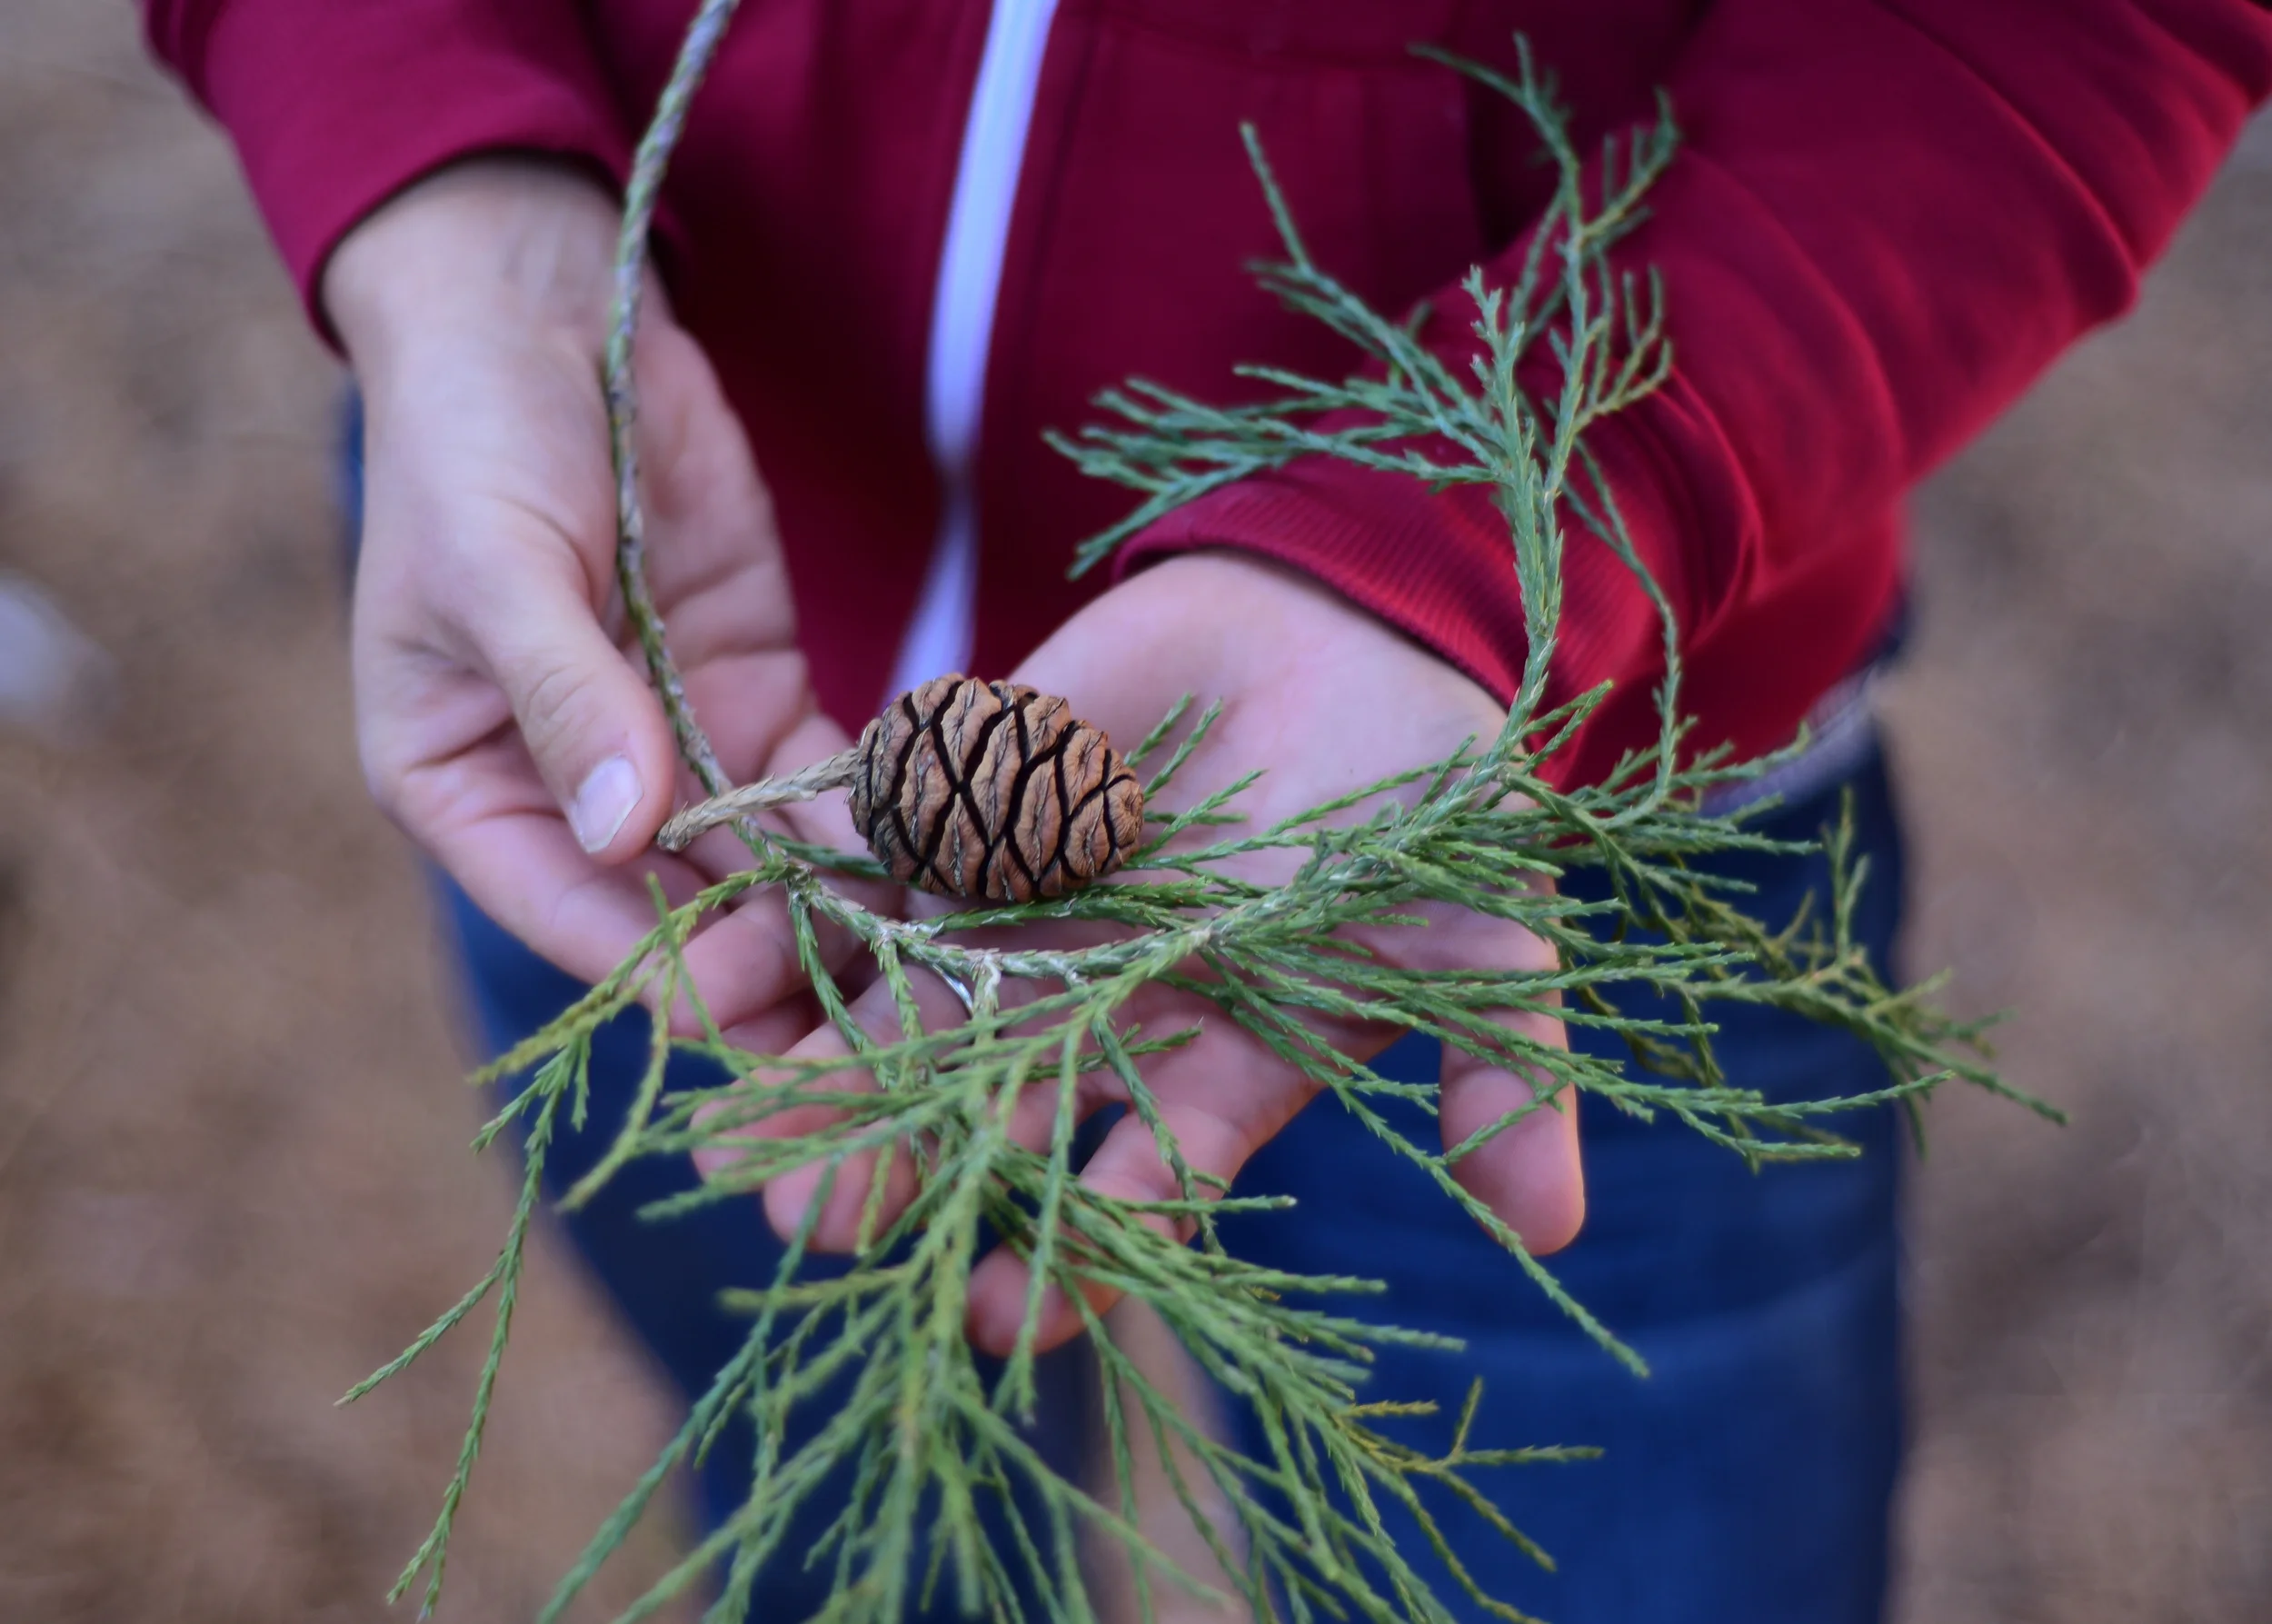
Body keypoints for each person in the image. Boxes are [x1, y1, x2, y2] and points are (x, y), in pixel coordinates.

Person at [145, 4, 2270, 1619]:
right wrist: (443, 191)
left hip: (1537, 788)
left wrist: (1511, 509)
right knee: (852, 1514)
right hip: (674, 695)